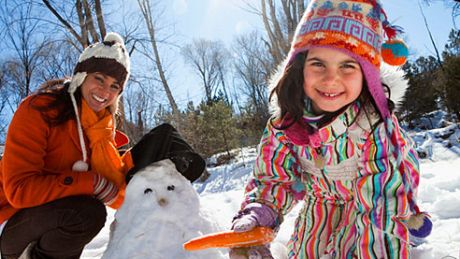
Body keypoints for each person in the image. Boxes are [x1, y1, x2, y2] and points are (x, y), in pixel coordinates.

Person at [229, 1, 432, 258]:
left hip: (370, 207)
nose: (330, 78)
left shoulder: (376, 128)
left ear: (366, 75)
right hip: (319, 209)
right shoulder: (285, 125)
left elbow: (383, 203)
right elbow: (274, 178)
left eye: (347, 66)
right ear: (299, 68)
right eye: (318, 64)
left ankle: (410, 230)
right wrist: (260, 214)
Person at [0, 32, 205, 258]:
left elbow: (118, 188)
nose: (105, 91)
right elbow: (19, 190)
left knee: (164, 136)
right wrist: (92, 182)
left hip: (60, 219)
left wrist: (156, 149)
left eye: (115, 86)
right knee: (87, 212)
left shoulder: (101, 131)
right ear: (81, 76)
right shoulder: (39, 109)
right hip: (13, 223)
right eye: (99, 78)